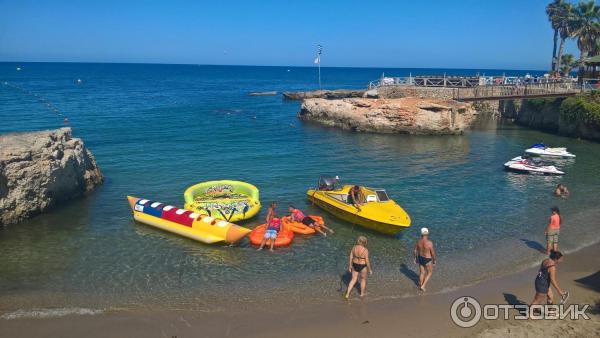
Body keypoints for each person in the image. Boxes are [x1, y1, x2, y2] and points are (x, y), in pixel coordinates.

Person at [530, 250, 569, 318]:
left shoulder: (546, 260)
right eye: (561, 259)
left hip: (540, 280)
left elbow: (541, 271)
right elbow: (553, 280)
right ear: (556, 259)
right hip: (542, 284)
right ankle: (529, 315)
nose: (562, 260)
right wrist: (559, 290)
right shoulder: (552, 267)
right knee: (537, 300)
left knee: (550, 296)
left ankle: (551, 312)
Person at [414, 227, 436, 292]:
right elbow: (433, 253)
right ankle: (423, 286)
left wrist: (415, 258)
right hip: (427, 259)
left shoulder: (418, 241)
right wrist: (434, 260)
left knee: (422, 273)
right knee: (430, 272)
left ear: (421, 234)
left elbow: (415, 250)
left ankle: (420, 285)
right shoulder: (429, 243)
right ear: (427, 234)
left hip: (420, 257)